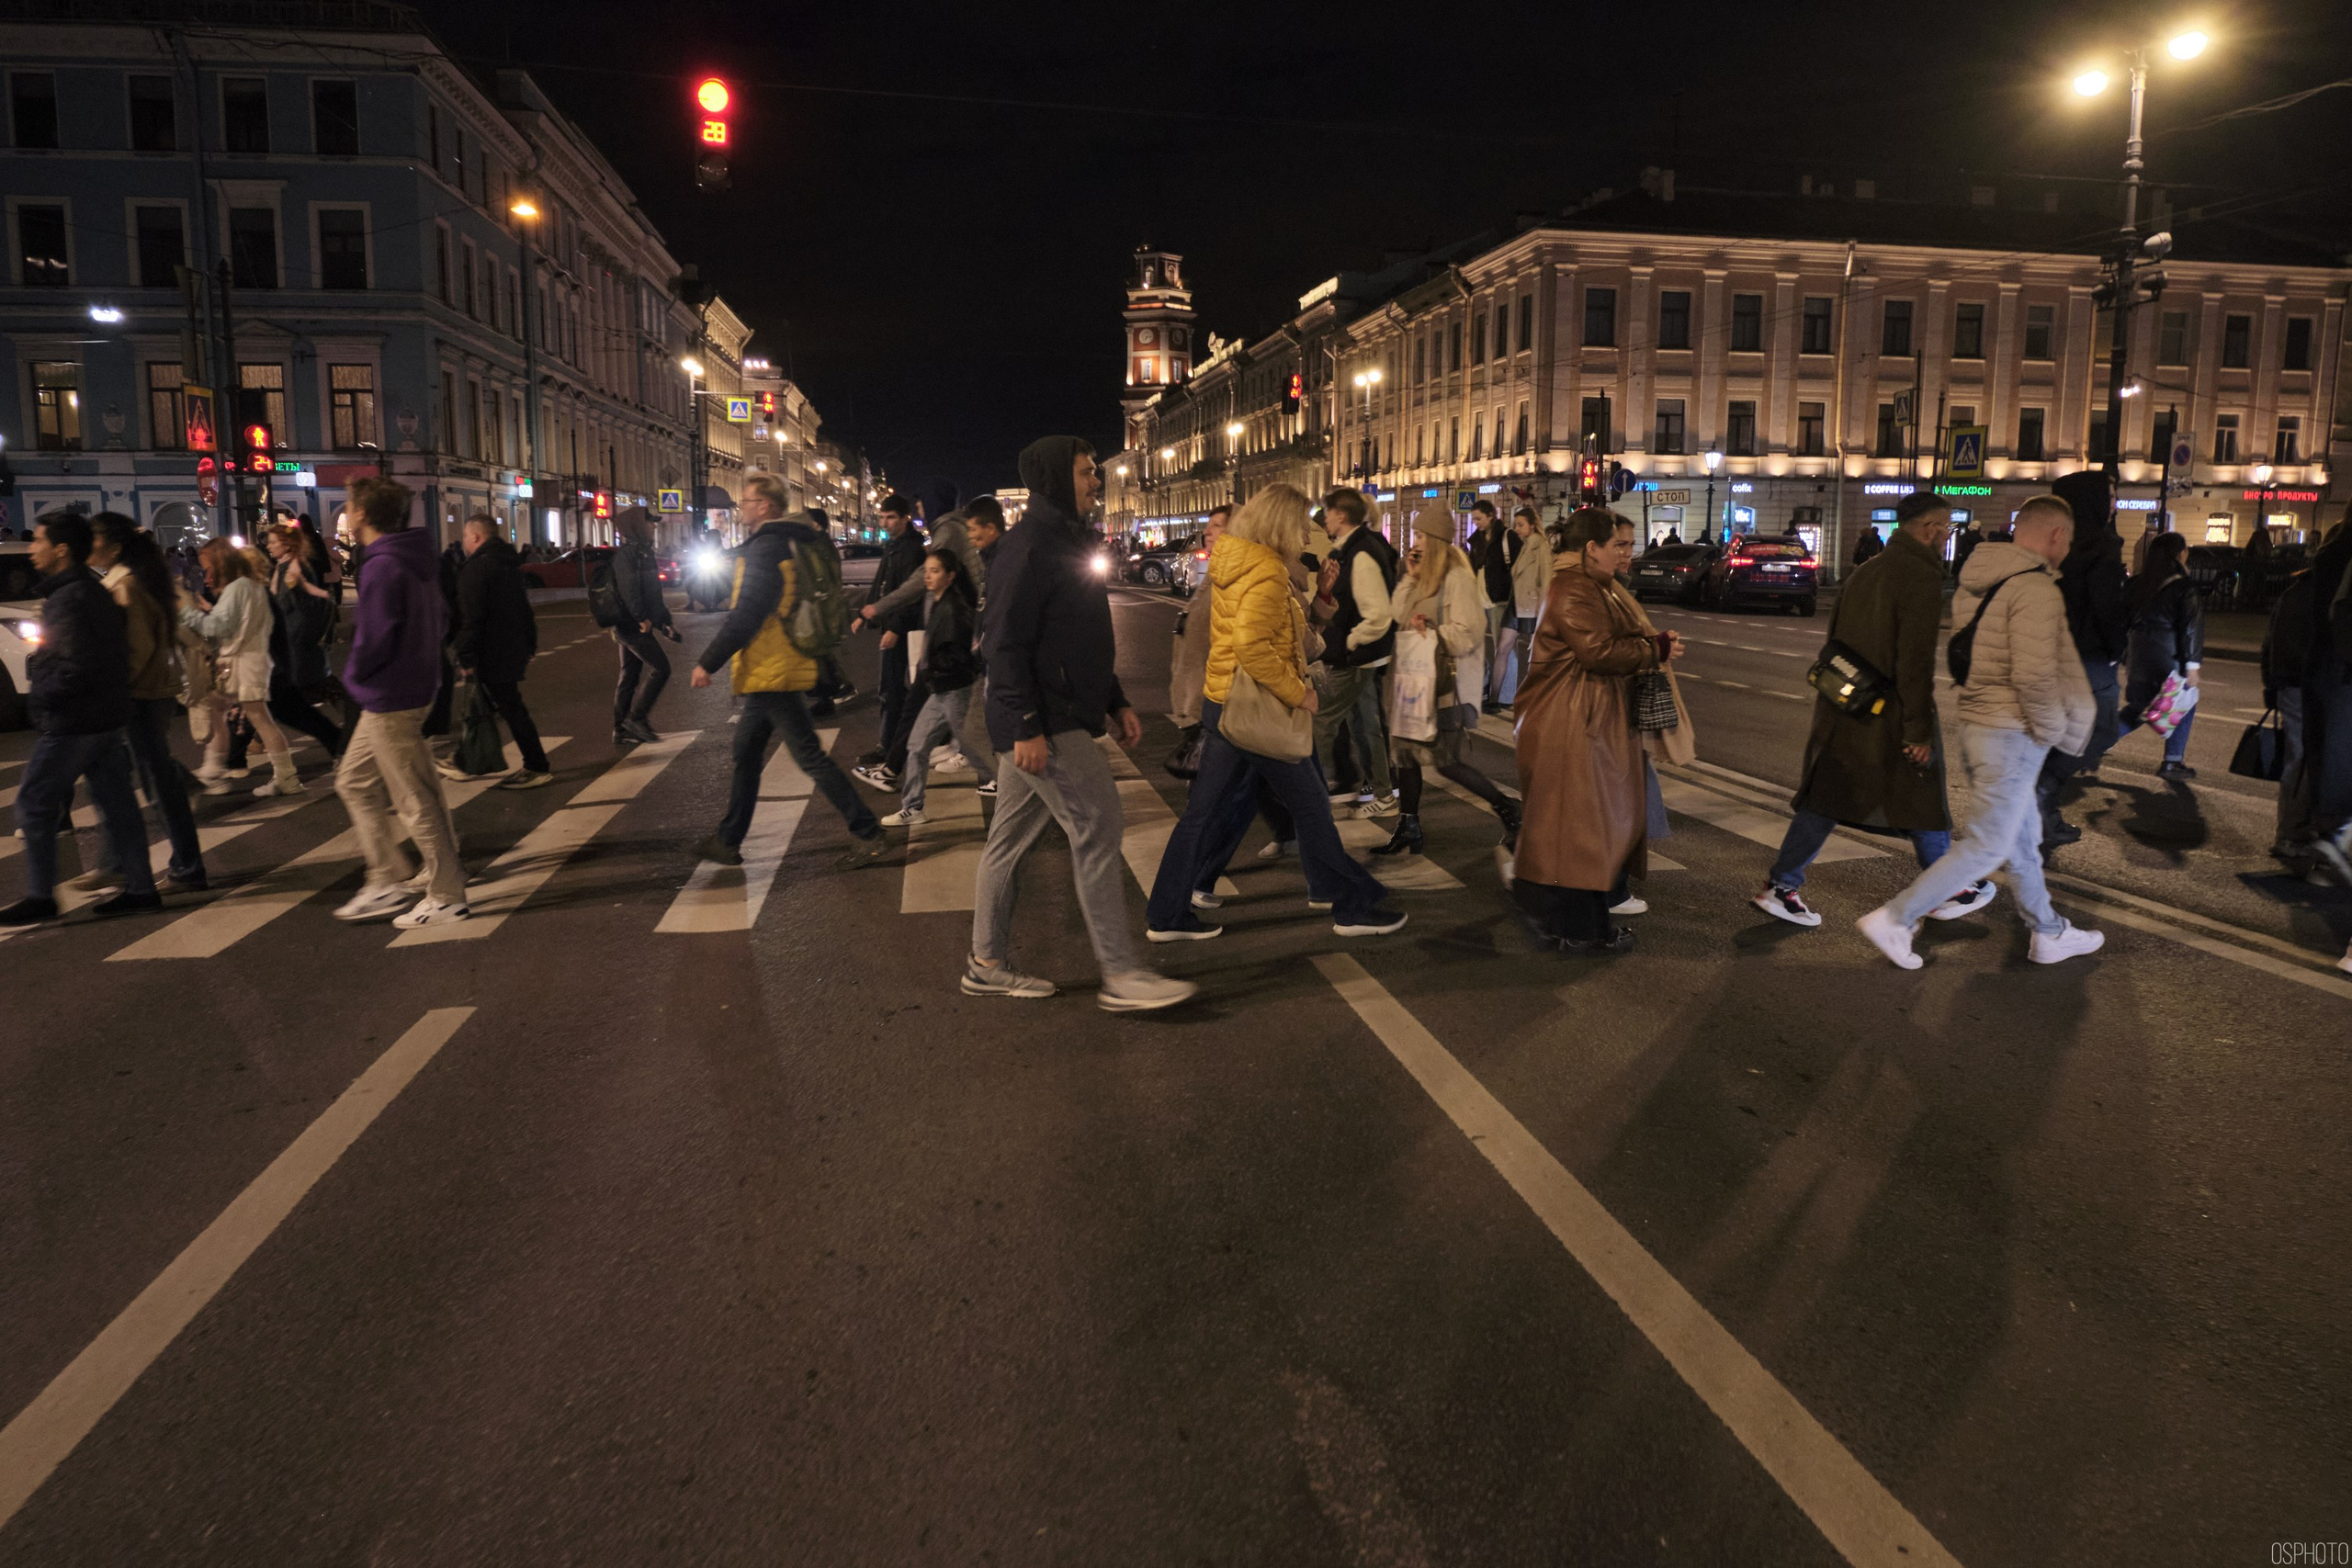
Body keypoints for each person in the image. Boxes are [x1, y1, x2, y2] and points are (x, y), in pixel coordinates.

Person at [966, 435, 1195, 1010]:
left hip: (1061, 709)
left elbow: (1082, 638)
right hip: (1046, 716)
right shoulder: (1029, 547)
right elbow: (1004, 644)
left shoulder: (1067, 540)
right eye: (1087, 472)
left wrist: (1114, 699)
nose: (1098, 480)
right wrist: (1025, 726)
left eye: (1096, 471)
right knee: (1099, 826)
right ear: (1054, 478)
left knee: (1007, 843)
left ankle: (986, 962)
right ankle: (1121, 975)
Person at [1143, 484, 1406, 946]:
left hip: (1228, 705)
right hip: (1256, 709)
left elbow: (1291, 636)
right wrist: (1296, 694)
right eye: (1302, 527)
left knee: (1203, 816)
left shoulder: (1241, 562)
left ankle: (1167, 913)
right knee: (1309, 806)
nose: (1308, 535)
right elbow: (1253, 648)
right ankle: (1349, 902)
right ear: (1280, 526)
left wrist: (1322, 599)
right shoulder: (1264, 572)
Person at [1859, 496, 2104, 968]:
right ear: (2056, 535)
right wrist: (2054, 730)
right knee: (1988, 845)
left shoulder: (1981, 581)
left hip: (1982, 725)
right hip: (2012, 732)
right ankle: (1896, 918)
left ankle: (2048, 932)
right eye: (2067, 540)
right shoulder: (2035, 589)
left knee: (2022, 839)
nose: (2068, 550)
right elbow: (2034, 676)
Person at [1752, 493, 1985, 925]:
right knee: (1922, 798)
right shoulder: (1918, 576)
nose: (1947, 538)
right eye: (1946, 528)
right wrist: (1917, 730)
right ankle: (1946, 889)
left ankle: (1782, 885)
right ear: (1930, 529)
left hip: (1845, 703)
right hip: (1889, 713)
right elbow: (1913, 661)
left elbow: (1836, 639)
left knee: (1828, 798)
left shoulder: (1867, 569)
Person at [687, 473, 887, 870]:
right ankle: (728, 839)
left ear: (765, 506)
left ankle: (868, 831)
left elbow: (748, 614)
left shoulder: (767, 548)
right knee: (746, 752)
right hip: (776, 664)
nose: (742, 507)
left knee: (809, 756)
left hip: (773, 668)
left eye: (747, 501)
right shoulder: (789, 541)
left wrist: (707, 661)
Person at [1511, 508, 1680, 953]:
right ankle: (1582, 931)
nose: (1626, 553)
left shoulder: (1587, 585)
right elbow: (1598, 652)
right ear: (1591, 548)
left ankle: (1569, 923)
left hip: (1581, 718)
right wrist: (1655, 648)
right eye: (1617, 545)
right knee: (1583, 834)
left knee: (1580, 832)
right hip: (1572, 724)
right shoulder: (1573, 588)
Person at [0, 513, 163, 925]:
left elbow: (73, 664)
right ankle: (141, 888)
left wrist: (42, 697)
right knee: (118, 805)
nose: (32, 549)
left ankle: (41, 895)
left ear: (61, 550)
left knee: (34, 804)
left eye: (38, 541)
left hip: (74, 720)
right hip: (105, 716)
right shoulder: (90, 591)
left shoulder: (69, 598)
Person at [332, 477, 471, 928]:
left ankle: (446, 893)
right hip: (409, 688)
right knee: (353, 782)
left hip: (390, 695)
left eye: (350, 508)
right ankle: (388, 874)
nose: (347, 515)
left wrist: (354, 678)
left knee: (414, 797)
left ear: (363, 516)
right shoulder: (414, 559)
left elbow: (373, 638)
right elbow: (445, 616)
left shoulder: (382, 565)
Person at [1374, 505, 1519, 856]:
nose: (1416, 541)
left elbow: (1468, 631)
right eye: (1416, 535)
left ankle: (1508, 808)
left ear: (1437, 539)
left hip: (1443, 687)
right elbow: (1396, 615)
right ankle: (1408, 825)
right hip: (1412, 680)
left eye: (1422, 535)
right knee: (1405, 754)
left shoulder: (1456, 576)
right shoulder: (1422, 572)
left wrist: (1434, 631)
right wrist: (1409, 578)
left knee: (1446, 761)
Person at [88, 513, 207, 892]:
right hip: (149, 692)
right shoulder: (136, 578)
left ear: (114, 546)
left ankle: (186, 867)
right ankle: (116, 862)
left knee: (149, 782)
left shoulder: (127, 584)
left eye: (94, 539)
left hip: (139, 694)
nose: (89, 546)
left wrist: (115, 693)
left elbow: (137, 649)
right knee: (124, 778)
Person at [859, 491, 989, 788]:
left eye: (922, 507)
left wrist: (880, 609)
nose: (921, 512)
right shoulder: (947, 531)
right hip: (945, 638)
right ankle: (897, 779)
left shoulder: (947, 533)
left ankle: (995, 775)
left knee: (962, 724)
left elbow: (921, 581)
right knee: (921, 719)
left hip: (952, 639)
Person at [2037, 471, 2131, 850]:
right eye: (2109, 495)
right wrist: (2116, 648)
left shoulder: (2056, 542)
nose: (2115, 503)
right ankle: (2041, 793)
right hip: (2089, 657)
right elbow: (2107, 608)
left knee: (2056, 733)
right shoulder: (2102, 547)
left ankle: (2044, 811)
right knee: (2100, 731)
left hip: (2054, 652)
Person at [182, 536, 303, 797]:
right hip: (246, 661)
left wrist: (186, 611)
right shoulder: (251, 586)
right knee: (218, 707)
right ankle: (215, 769)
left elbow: (218, 626)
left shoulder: (238, 587)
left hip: (244, 663)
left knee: (261, 719)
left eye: (209, 567)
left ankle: (285, 777)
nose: (207, 573)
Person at [1309, 488, 1401, 818]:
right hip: (1361, 654)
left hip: (1357, 655)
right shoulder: (1352, 550)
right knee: (1365, 723)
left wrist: (1348, 641)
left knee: (1323, 724)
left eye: (1328, 512)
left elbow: (1378, 614)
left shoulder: (1361, 554)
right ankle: (1383, 791)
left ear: (1341, 516)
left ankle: (1312, 795)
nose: (1325, 519)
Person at [879, 548, 984, 827]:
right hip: (939, 689)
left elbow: (961, 655)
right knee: (917, 745)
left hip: (953, 689)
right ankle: (913, 807)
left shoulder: (954, 609)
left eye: (935, 571)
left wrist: (935, 666)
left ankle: (1022, 787)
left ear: (950, 576)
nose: (928, 576)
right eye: (926, 570)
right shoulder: (937, 603)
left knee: (975, 749)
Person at [445, 514, 551, 788]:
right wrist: (530, 643)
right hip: (511, 648)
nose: (465, 542)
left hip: (490, 651)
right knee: (498, 706)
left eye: (467, 537)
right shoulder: (509, 565)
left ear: (477, 537)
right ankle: (464, 759)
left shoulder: (476, 569)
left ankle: (536, 766)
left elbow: (471, 618)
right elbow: (524, 609)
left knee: (507, 708)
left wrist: (465, 656)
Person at [851, 493, 928, 788]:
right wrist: (865, 615)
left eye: (891, 518)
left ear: (905, 517)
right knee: (895, 689)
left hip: (902, 629)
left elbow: (910, 594)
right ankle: (893, 743)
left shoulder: (910, 550)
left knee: (893, 690)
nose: (885, 523)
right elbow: (881, 586)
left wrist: (894, 627)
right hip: (891, 625)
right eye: (882, 518)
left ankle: (890, 745)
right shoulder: (894, 546)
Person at [2115, 529, 2204, 779]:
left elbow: (2122, 621)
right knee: (2183, 704)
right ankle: (2172, 761)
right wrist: (2192, 665)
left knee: (2141, 707)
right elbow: (2191, 627)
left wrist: (2125, 656)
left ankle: (2095, 745)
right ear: (2181, 554)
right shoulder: (2184, 587)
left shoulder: (2137, 584)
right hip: (2170, 660)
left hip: (2140, 659)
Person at [260, 523, 347, 759]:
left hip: (298, 641)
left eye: (273, 542)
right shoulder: (280, 567)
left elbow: (311, 599)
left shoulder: (296, 567)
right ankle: (349, 730)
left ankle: (354, 728)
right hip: (289, 641)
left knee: (300, 695)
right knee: (313, 693)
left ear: (286, 544)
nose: (269, 546)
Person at [610, 505, 679, 745]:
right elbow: (631, 593)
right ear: (638, 527)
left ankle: (621, 728)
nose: (654, 527)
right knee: (662, 669)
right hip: (632, 626)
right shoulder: (628, 555)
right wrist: (642, 619)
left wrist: (665, 622)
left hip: (636, 624)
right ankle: (636, 719)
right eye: (650, 523)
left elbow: (652, 594)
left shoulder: (643, 553)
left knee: (629, 675)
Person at [1497, 504, 1553, 708]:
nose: (1517, 529)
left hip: (1531, 606)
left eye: (1521, 525)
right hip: (1518, 603)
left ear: (1532, 525)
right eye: (1516, 525)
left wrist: (1542, 609)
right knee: (1504, 648)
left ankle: (1533, 697)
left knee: (1531, 655)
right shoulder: (1526, 545)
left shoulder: (1540, 547)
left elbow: (1546, 581)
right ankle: (1499, 696)